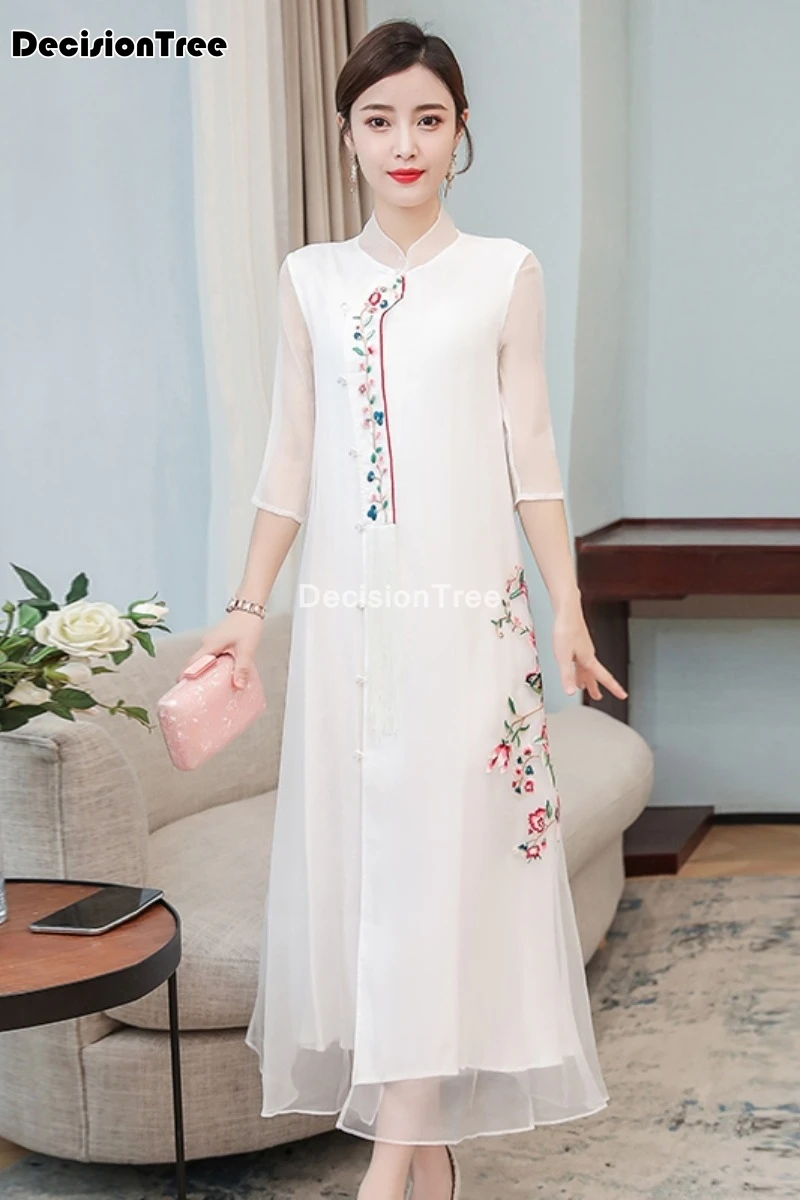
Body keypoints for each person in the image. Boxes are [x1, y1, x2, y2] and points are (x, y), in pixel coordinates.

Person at [180, 18, 627, 1200]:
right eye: (378, 121)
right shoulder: (310, 279)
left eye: (427, 118)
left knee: (438, 863)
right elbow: (289, 459)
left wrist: (566, 607)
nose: (404, 143)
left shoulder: (504, 273)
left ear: (459, 130)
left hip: (466, 621)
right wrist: (246, 606)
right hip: (350, 626)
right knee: (375, 869)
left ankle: (391, 1162)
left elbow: (531, 457)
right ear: (346, 136)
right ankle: (425, 1160)